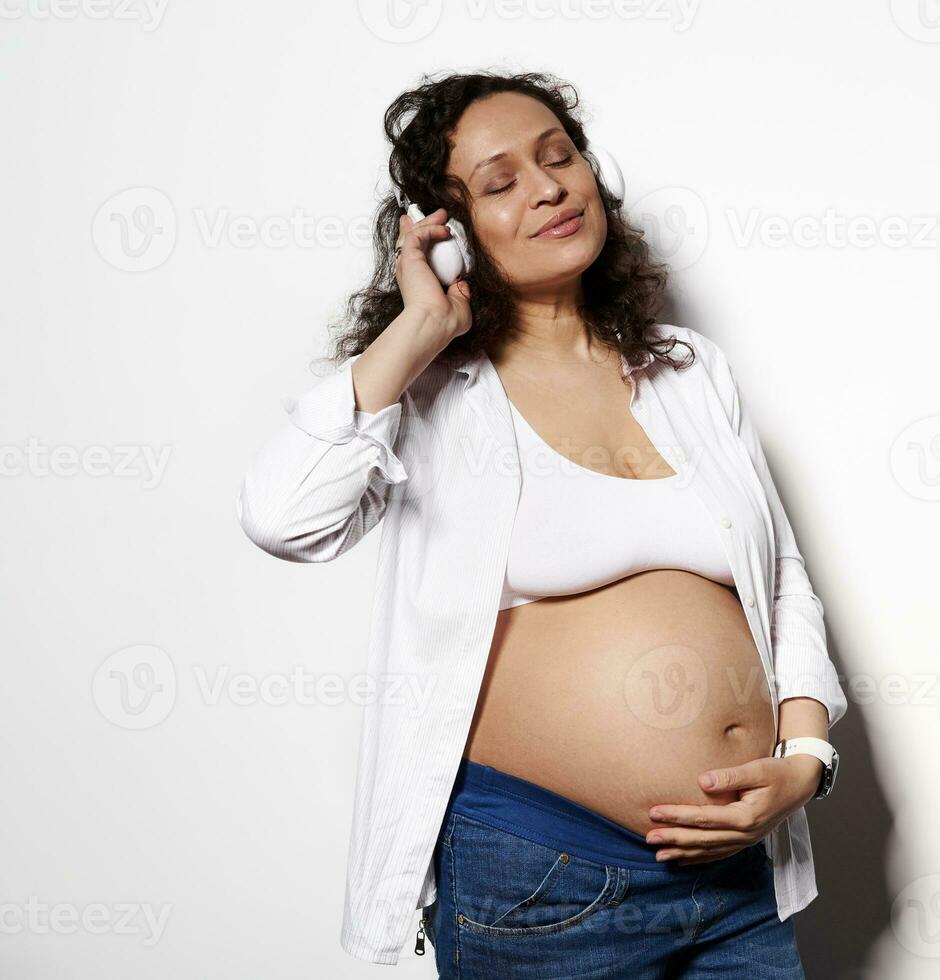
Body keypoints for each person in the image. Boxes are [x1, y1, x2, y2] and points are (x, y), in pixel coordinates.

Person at [237, 69, 846, 978]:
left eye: (559, 158)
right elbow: (283, 519)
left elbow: (781, 578)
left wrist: (804, 758)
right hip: (541, 881)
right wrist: (414, 333)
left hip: (735, 879)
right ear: (448, 231)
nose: (548, 187)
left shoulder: (688, 368)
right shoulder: (432, 393)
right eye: (499, 182)